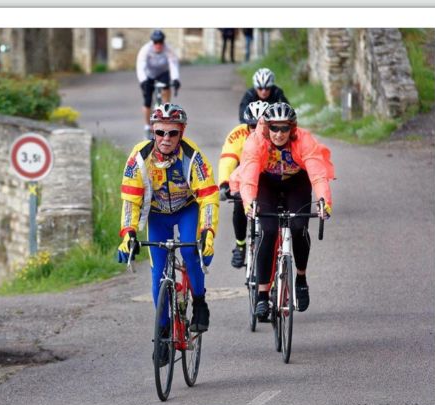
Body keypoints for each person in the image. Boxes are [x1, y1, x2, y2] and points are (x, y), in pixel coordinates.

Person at [117, 103, 219, 363]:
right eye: (160, 132)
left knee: (188, 250)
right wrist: (128, 233)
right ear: (153, 131)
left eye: (172, 133)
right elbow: (131, 199)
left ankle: (200, 303)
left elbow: (208, 197)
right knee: (157, 274)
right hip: (157, 215)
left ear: (181, 132)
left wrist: (208, 232)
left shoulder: (192, 157)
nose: (165, 139)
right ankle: (162, 333)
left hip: (187, 209)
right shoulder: (139, 157)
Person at [236, 102, 335, 320]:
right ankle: (262, 294)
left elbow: (317, 173)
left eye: (284, 128)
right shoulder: (256, 142)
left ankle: (300, 278)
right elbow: (250, 175)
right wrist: (249, 203)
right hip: (266, 182)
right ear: (266, 127)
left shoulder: (304, 139)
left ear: (292, 128)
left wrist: (323, 201)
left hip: (296, 181)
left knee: (299, 227)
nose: (279, 134)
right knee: (268, 231)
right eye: (274, 128)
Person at [217, 100, 269, 268]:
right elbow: (228, 159)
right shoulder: (238, 134)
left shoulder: (275, 133)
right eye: (252, 125)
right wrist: (224, 183)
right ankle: (240, 245)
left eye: (261, 124)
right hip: (243, 176)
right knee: (239, 204)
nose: (256, 129)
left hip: (268, 176)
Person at [136, 30, 181, 140]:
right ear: (152, 42)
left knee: (166, 88)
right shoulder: (146, 50)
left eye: (160, 42)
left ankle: (166, 113)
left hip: (163, 73)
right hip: (149, 74)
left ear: (163, 42)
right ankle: (147, 126)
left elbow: (173, 64)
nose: (158, 45)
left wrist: (175, 79)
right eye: (156, 42)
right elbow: (140, 66)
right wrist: (143, 81)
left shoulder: (168, 49)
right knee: (147, 101)